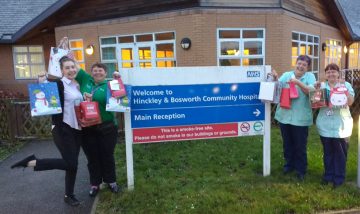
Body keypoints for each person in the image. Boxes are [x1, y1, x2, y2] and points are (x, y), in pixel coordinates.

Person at [11, 56, 83, 206]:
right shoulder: (58, 83)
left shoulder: (76, 85)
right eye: (67, 68)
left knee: (72, 164)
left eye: (73, 67)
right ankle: (32, 162)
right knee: (71, 163)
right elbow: (43, 89)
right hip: (62, 128)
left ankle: (68, 195)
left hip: (77, 129)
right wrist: (41, 80)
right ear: (62, 70)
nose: (71, 70)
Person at [75, 63, 119, 196]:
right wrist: (62, 49)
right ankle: (95, 184)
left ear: (106, 73)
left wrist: (118, 80)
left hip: (107, 127)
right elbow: (73, 65)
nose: (97, 73)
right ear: (91, 72)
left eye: (100, 71)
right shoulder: (85, 79)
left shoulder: (111, 85)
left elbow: (121, 99)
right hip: (88, 127)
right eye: (94, 70)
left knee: (107, 155)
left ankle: (111, 181)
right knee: (92, 157)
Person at [272, 55, 316, 180]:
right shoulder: (287, 75)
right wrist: (275, 78)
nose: (300, 66)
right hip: (284, 117)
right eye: (299, 63)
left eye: (304, 65)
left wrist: (298, 82)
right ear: (295, 63)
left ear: (307, 67)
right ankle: (289, 165)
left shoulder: (310, 77)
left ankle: (301, 169)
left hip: (300, 118)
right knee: (287, 143)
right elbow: (278, 88)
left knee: (300, 145)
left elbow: (311, 92)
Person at [315, 63, 354, 188]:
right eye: (328, 72)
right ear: (325, 75)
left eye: (334, 71)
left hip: (341, 126)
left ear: (338, 73)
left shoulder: (345, 85)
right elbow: (315, 102)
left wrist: (344, 89)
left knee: (340, 154)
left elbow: (350, 102)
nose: (331, 74)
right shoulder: (321, 86)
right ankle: (328, 176)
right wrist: (315, 92)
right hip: (325, 125)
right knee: (328, 153)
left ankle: (338, 179)